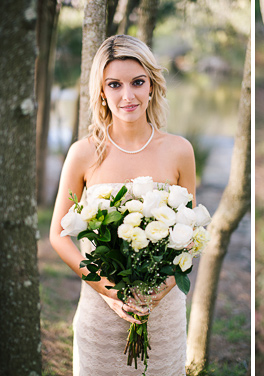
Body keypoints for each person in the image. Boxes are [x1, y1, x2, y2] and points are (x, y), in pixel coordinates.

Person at [49, 34, 196, 375]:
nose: (127, 96)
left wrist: (160, 290)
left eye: (137, 82)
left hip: (164, 314)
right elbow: (58, 235)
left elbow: (189, 236)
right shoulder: (84, 153)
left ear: (152, 85)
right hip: (100, 312)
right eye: (114, 84)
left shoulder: (179, 150)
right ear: (101, 91)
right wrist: (110, 292)